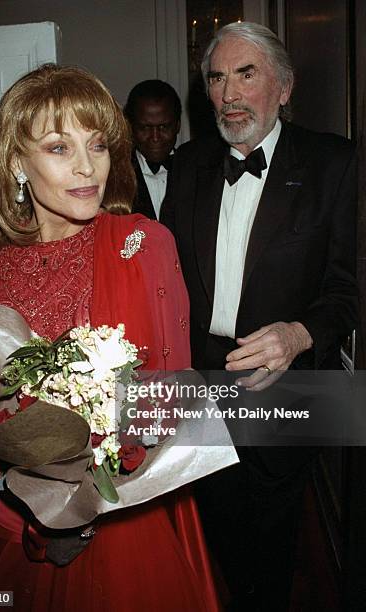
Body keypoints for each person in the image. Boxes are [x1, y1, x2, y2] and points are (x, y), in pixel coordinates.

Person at [0, 63, 221, 612]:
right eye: (58, 148)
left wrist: (84, 502)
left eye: (97, 145)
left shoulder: (144, 244)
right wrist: (29, 500)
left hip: (120, 514)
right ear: (16, 163)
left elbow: (173, 397)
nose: (86, 168)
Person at [160, 21, 358, 612]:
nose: (229, 94)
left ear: (286, 86)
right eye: (217, 78)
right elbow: (167, 282)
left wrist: (299, 333)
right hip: (199, 380)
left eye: (247, 74)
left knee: (272, 542)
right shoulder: (187, 164)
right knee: (214, 528)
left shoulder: (335, 163)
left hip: (287, 379)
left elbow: (348, 287)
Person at [124, 79, 181, 219]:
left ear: (177, 126)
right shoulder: (116, 176)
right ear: (130, 127)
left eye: (164, 127)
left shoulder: (196, 172)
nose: (155, 137)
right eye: (145, 128)